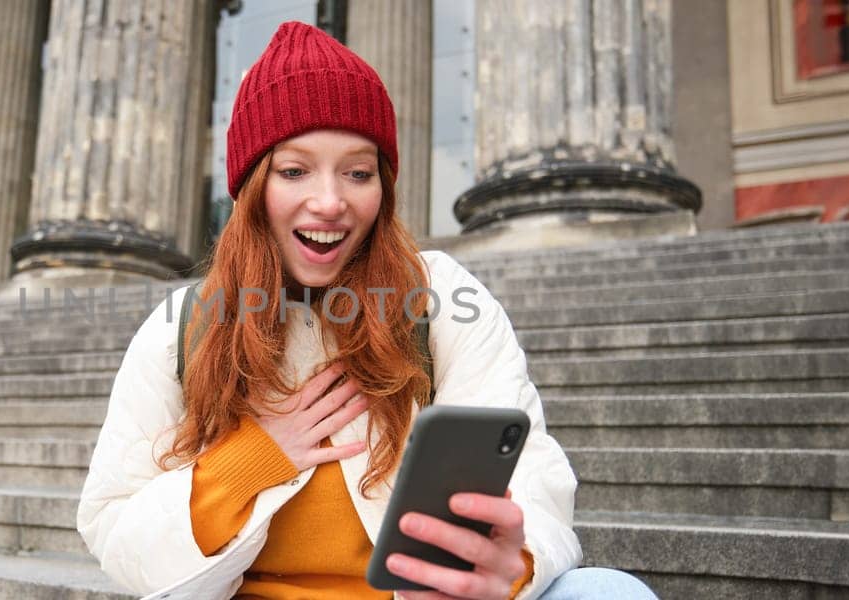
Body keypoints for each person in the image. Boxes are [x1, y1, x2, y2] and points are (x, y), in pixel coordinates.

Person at [78, 21, 656, 600]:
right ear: (253, 186)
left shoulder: (442, 299)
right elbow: (114, 531)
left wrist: (514, 564)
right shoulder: (182, 327)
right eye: (294, 170)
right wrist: (252, 460)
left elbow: (532, 477)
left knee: (607, 592)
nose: (330, 202)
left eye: (358, 173)